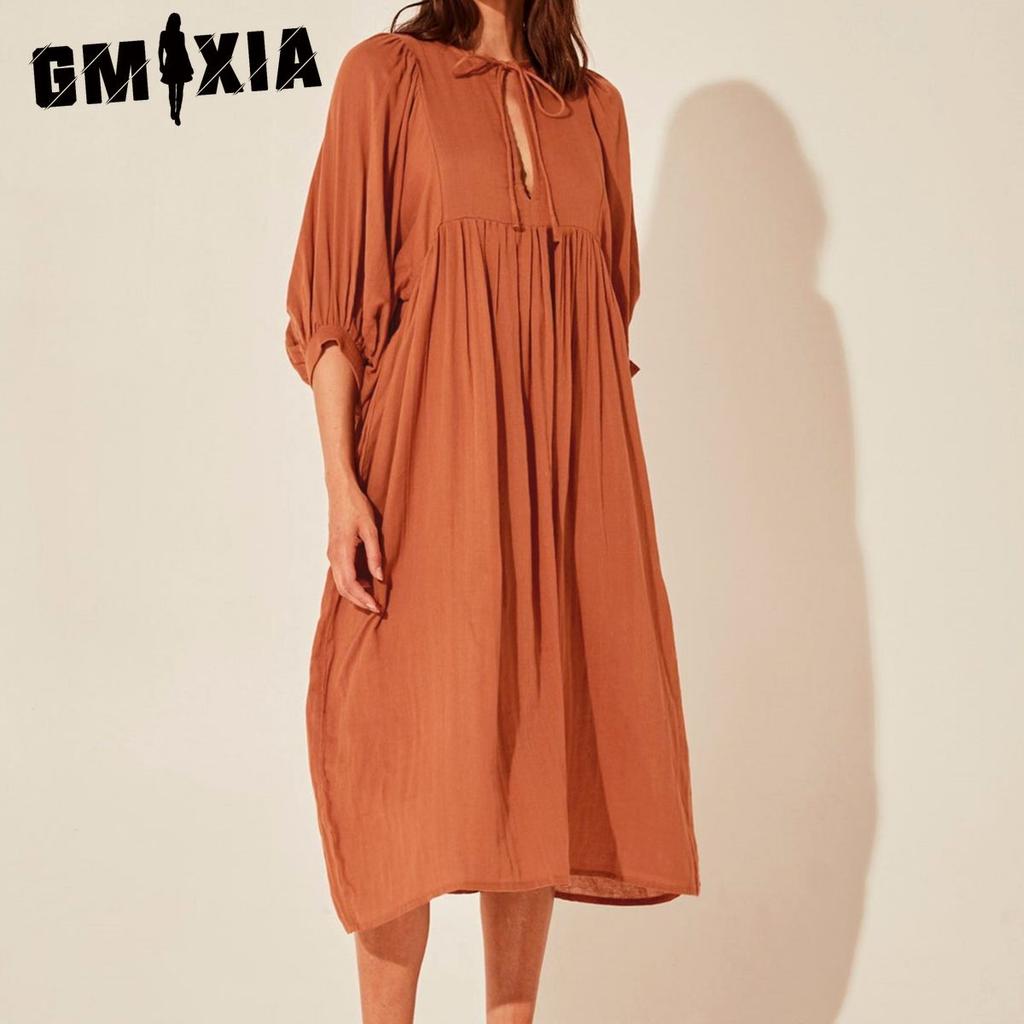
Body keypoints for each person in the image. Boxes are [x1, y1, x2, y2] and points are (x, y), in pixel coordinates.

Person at [283, 1, 700, 1020]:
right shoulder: (386, 77)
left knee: (532, 749)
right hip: (425, 468)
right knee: (403, 758)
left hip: (567, 479)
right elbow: (334, 306)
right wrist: (341, 485)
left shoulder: (594, 110)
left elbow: (604, 312)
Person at [158, 13, 193, 126]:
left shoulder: (178, 35)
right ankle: (174, 110)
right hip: (173, 65)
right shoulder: (166, 34)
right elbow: (160, 50)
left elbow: (183, 50)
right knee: (174, 91)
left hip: (177, 64)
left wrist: (189, 66)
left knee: (176, 91)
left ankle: (176, 112)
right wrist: (161, 64)